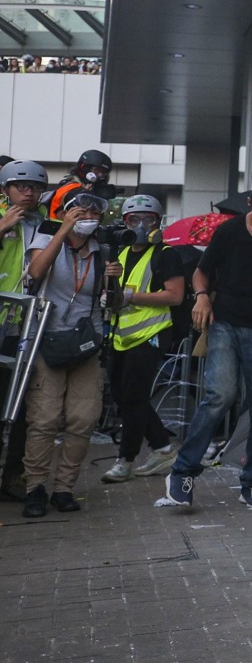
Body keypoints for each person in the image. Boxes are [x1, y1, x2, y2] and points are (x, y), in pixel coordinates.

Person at [160, 177, 252, 510]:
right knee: (220, 396)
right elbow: (202, 272)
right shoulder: (229, 232)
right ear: (250, 205)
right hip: (225, 323)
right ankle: (182, 473)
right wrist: (201, 297)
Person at [21, 193, 109, 518]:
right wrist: (62, 231)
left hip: (86, 344)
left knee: (82, 419)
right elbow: (35, 271)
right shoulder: (45, 235)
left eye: (93, 211)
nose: (87, 214)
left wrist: (113, 283)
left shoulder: (103, 250)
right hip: (46, 340)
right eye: (80, 209)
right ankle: (35, 488)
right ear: (65, 211)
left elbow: (109, 302)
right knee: (43, 419)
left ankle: (63, 487)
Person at [99, 195, 184, 483]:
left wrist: (131, 297)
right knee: (123, 397)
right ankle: (162, 447)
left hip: (151, 334)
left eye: (149, 219)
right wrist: (108, 285)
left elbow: (175, 296)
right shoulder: (120, 253)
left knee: (134, 397)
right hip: (122, 335)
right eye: (133, 219)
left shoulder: (166, 254)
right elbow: (114, 297)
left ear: (158, 223)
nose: (141, 224)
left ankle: (125, 460)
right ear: (124, 222)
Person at [0, 160, 49, 501]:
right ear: (5, 189)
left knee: (16, 406)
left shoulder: (46, 221)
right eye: (21, 186)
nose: (28, 192)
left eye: (34, 186)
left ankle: (12, 474)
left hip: (24, 322)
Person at [48, 149, 116, 218]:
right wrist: (84, 195)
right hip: (61, 227)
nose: (100, 175)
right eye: (97, 170)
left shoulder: (81, 187)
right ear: (84, 167)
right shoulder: (71, 188)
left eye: (103, 172)